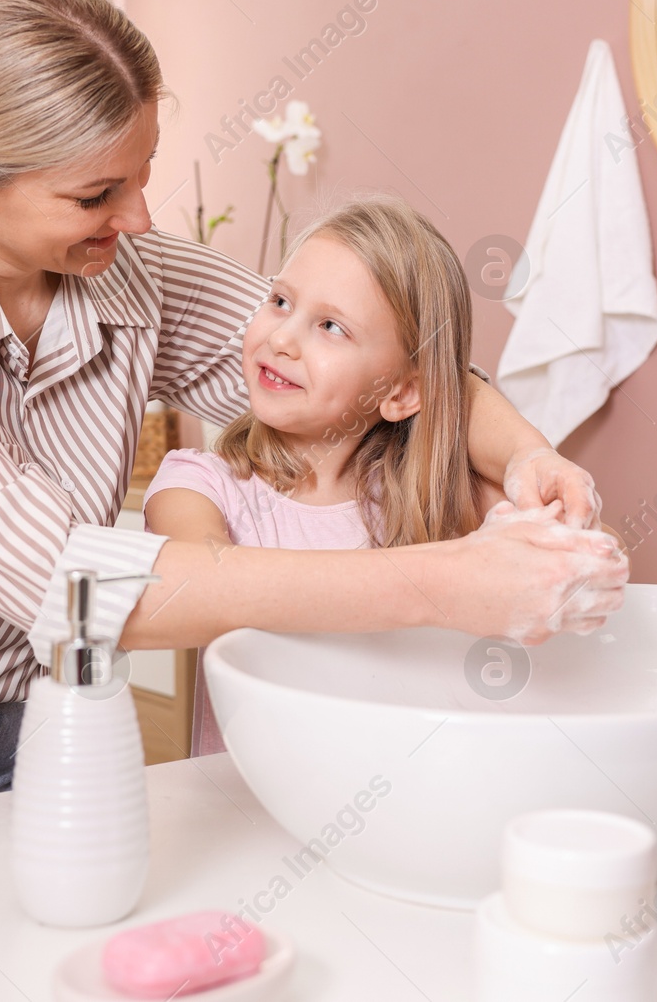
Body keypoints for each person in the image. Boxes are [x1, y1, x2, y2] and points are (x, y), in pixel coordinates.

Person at [0, 0, 625, 849]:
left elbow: (372, 357)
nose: (138, 220)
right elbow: (65, 584)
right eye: (97, 194)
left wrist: (528, 453)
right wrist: (443, 580)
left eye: (143, 172)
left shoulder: (127, 269)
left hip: (20, 730)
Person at [144, 196, 620, 754]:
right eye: (278, 300)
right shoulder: (199, 486)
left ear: (402, 391)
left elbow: (591, 558)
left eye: (330, 326)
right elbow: (193, 589)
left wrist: (563, 520)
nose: (281, 339)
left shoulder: (433, 500)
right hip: (251, 808)